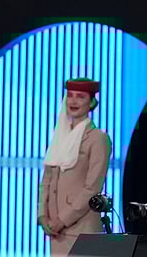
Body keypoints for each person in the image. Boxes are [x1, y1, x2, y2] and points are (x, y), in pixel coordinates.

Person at [37, 78, 111, 256]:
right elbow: (46, 179)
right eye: (70, 96)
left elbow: (92, 188)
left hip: (80, 228)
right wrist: (42, 215)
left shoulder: (98, 138)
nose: (73, 101)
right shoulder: (60, 136)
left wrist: (62, 220)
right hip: (56, 230)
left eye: (80, 96)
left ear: (92, 102)